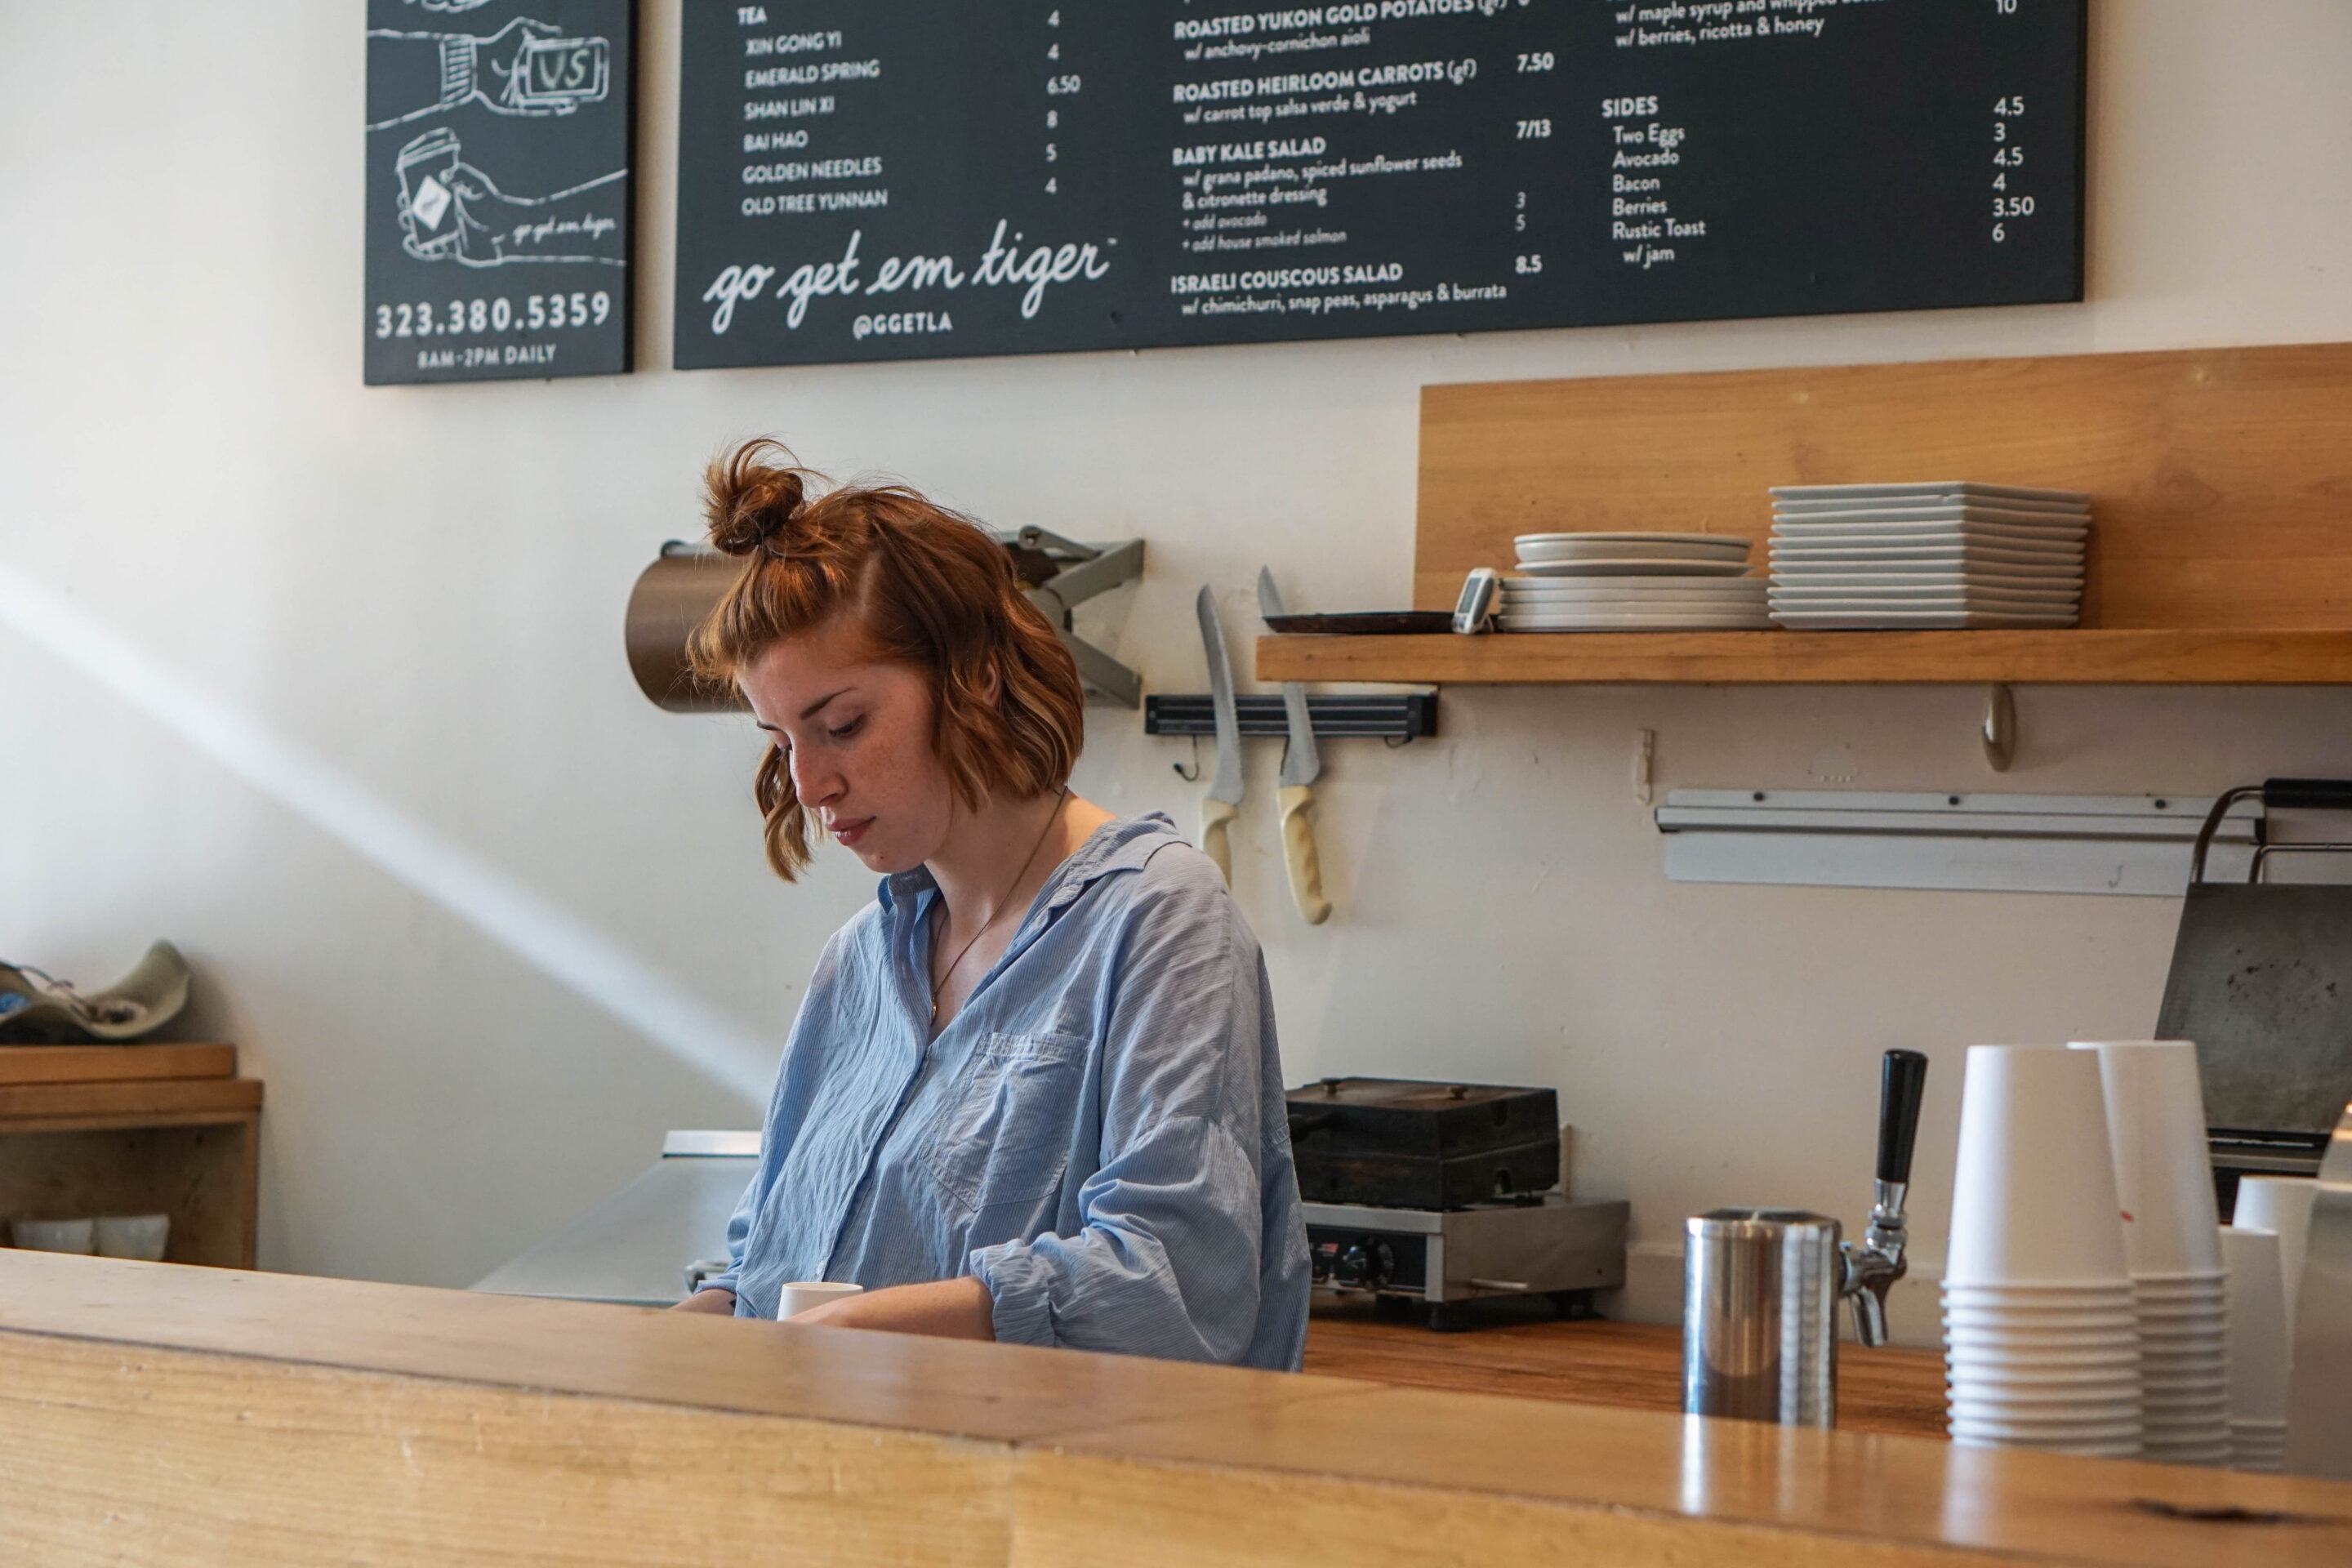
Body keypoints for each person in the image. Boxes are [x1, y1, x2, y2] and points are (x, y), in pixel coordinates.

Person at [668, 441, 1310, 1370]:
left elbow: (1175, 1284)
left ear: (972, 676)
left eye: (842, 725)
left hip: (1051, 1500)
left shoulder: (1156, 919)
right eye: (780, 742)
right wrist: (689, 1324)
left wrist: (859, 1329)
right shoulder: (862, 961)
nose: (810, 784)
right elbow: (771, 1255)